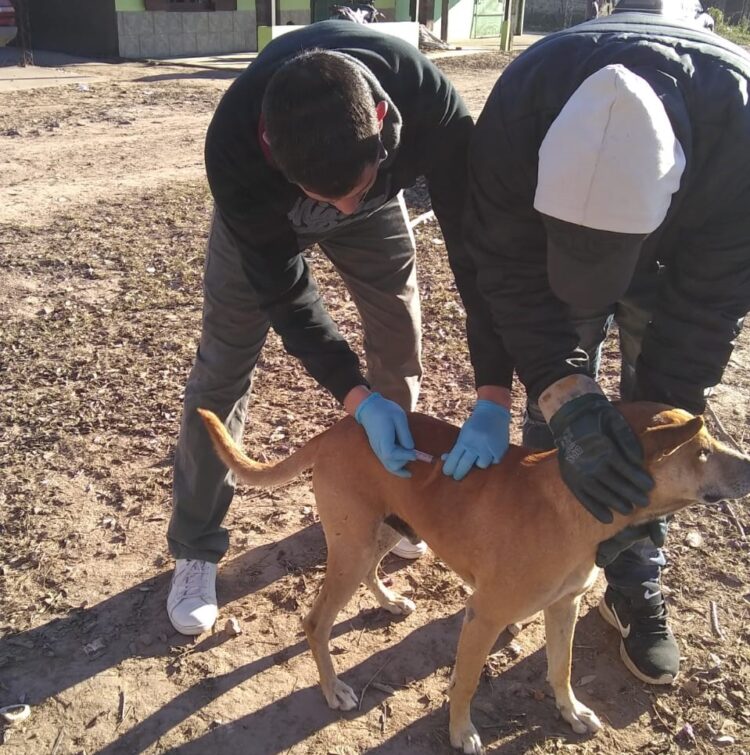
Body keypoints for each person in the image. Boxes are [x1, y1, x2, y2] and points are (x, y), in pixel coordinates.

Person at [452, 9, 750, 684]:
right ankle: (531, 554)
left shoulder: (739, 137)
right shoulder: (519, 109)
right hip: (544, 252)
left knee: (656, 436)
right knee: (562, 417)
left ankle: (631, 577)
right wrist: (561, 388)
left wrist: (662, 417)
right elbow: (504, 267)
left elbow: (707, 308)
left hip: (680, 265)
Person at [166, 20, 484, 635]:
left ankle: (391, 504)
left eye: (350, 191)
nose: (337, 211)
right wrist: (355, 397)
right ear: (269, 145)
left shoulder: (427, 99)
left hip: (380, 197)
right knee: (225, 363)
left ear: (384, 118)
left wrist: (495, 387)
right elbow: (288, 296)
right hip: (266, 222)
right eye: (324, 196)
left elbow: (473, 245)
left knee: (399, 336)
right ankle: (196, 547)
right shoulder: (234, 144)